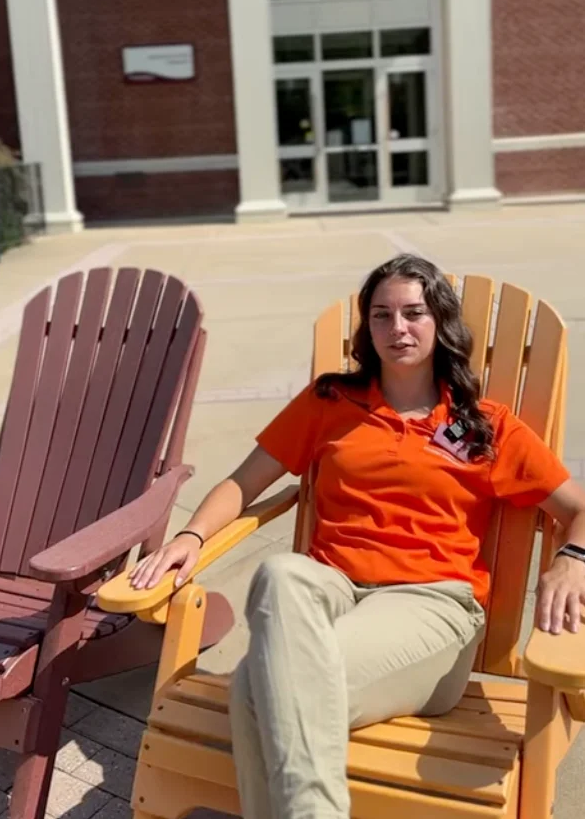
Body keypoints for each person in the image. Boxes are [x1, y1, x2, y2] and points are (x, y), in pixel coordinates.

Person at [130, 255, 585, 819]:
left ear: (441, 322)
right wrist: (193, 536)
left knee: (256, 687)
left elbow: (579, 508)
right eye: (381, 315)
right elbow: (244, 481)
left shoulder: (482, 425)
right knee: (279, 573)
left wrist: (573, 557)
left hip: (430, 606)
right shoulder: (331, 401)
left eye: (414, 313)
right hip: (328, 591)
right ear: (366, 329)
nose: (398, 328)